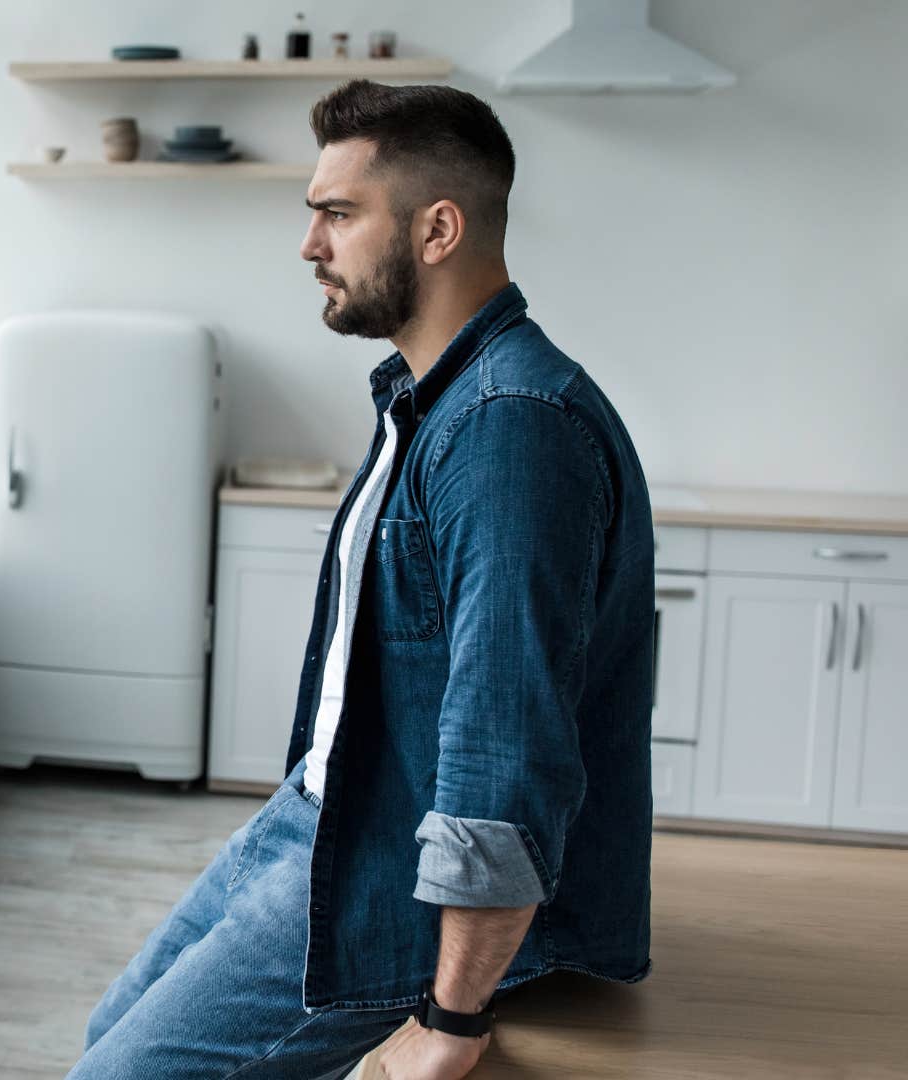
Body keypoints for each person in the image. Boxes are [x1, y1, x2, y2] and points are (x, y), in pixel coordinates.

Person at [67, 79, 656, 1080]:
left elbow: (503, 751)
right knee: (102, 1042)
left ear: (437, 230)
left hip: (399, 880)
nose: (309, 245)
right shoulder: (431, 400)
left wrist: (453, 1020)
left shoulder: (508, 429)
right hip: (325, 813)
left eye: (337, 215)